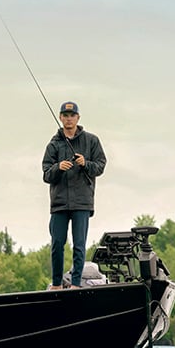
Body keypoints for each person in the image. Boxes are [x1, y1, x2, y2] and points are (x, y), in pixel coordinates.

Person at [41, 101, 106, 289]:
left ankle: (76, 283)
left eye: (72, 115)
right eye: (65, 115)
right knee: (57, 244)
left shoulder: (92, 141)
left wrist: (86, 163)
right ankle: (56, 284)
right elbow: (46, 174)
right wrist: (58, 168)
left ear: (78, 118)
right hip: (59, 203)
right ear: (61, 118)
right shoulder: (53, 145)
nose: (69, 119)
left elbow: (100, 166)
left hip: (82, 203)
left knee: (79, 245)